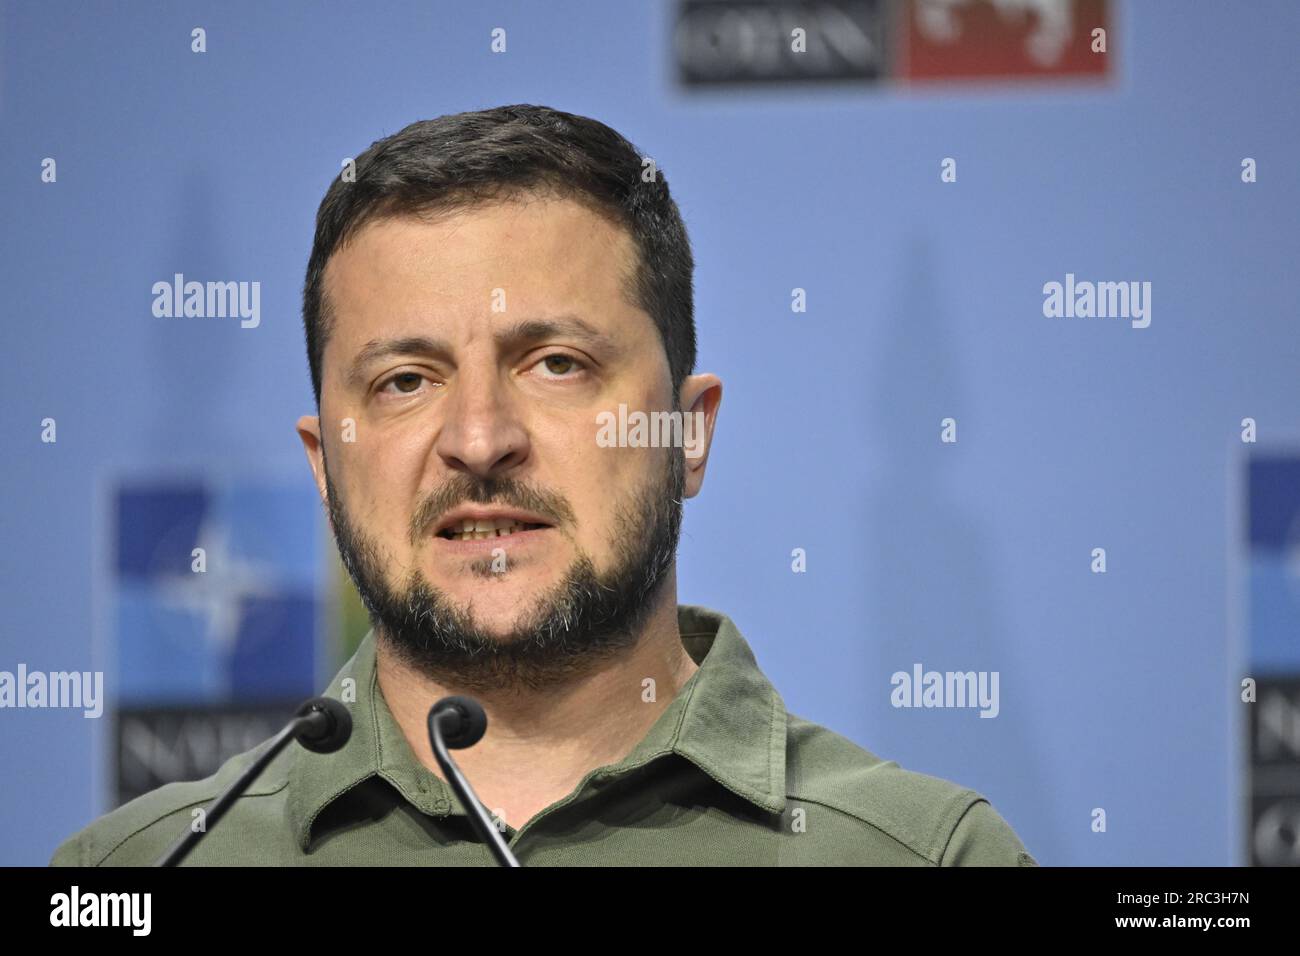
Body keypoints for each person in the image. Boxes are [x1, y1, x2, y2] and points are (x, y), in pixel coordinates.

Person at [51, 105, 1036, 866]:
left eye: (555, 362)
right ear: (325, 461)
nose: (479, 439)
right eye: (404, 381)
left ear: (687, 435)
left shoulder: (921, 855)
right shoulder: (141, 870)